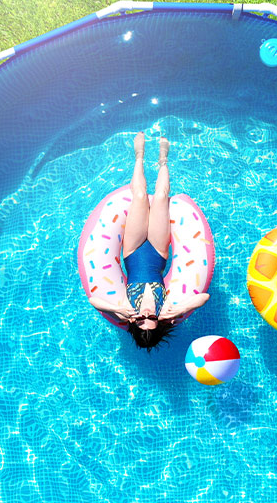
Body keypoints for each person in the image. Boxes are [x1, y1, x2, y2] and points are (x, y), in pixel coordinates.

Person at [89, 132, 210, 349]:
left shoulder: (125, 311)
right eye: (151, 321)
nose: (146, 316)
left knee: (140, 197)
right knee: (162, 197)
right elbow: (204, 297)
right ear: (159, 324)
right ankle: (164, 159)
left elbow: (93, 301)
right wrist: (181, 310)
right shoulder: (167, 312)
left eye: (141, 321)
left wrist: (119, 311)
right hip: (157, 251)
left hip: (133, 251)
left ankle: (139, 156)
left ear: (133, 324)